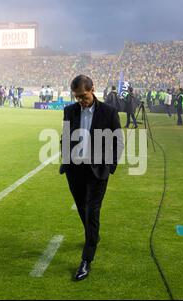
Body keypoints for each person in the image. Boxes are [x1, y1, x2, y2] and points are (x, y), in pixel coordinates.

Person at [60, 75, 123, 281]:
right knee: (82, 208)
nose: (81, 101)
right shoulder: (69, 111)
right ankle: (92, 235)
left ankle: (86, 260)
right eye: (77, 97)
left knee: (92, 211)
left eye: (84, 96)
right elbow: (65, 136)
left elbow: (118, 142)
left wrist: (110, 166)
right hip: (75, 170)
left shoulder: (109, 112)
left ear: (92, 89)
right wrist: (66, 156)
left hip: (98, 171)